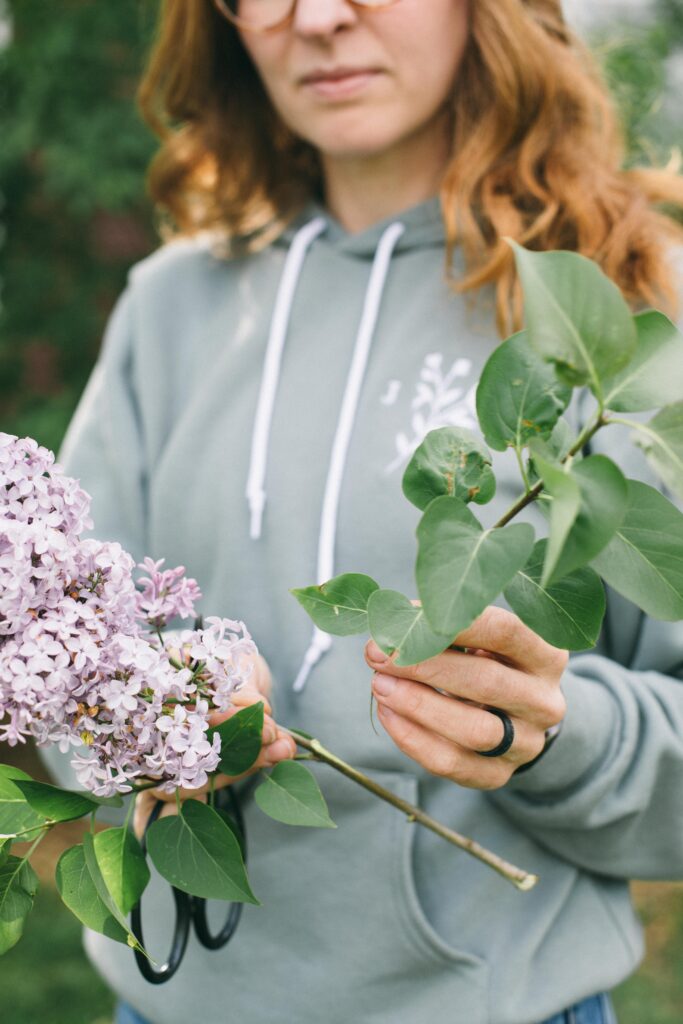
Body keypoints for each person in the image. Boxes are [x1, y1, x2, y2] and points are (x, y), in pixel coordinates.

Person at [40, 1, 683, 1022]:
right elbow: (53, 649)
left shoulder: (626, 311)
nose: (319, 19)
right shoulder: (171, 306)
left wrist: (557, 734)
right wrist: (151, 724)